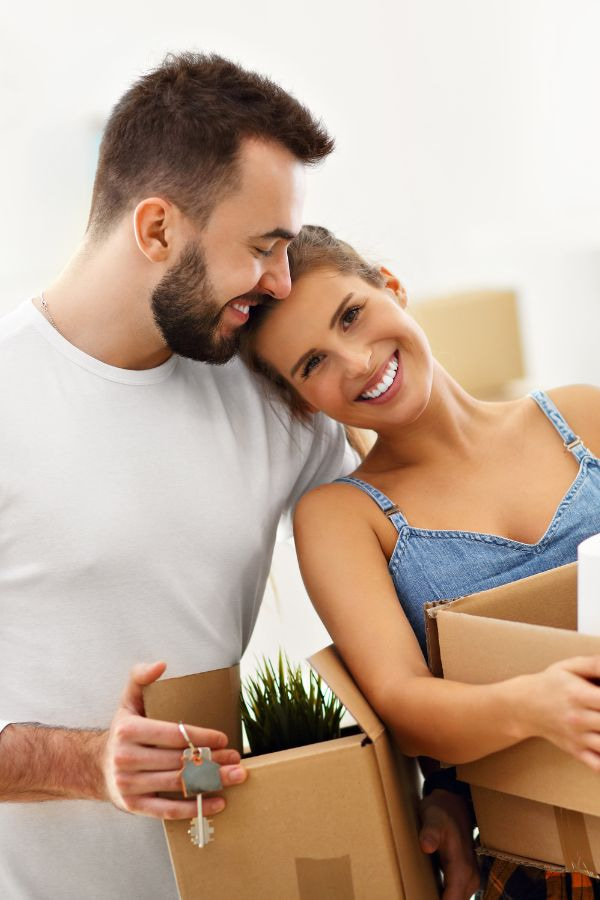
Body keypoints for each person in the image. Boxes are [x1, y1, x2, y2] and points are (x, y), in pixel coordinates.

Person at [0, 55, 473, 900]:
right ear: (156, 230)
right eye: (262, 249)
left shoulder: (267, 397)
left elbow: (418, 573)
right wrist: (83, 764)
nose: (280, 283)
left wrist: (446, 787)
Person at [242, 224, 600, 899]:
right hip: (546, 869)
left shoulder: (582, 416)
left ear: (391, 286)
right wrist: (536, 705)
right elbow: (404, 706)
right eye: (312, 364)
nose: (354, 360)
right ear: (300, 399)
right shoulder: (344, 518)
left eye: (351, 315)